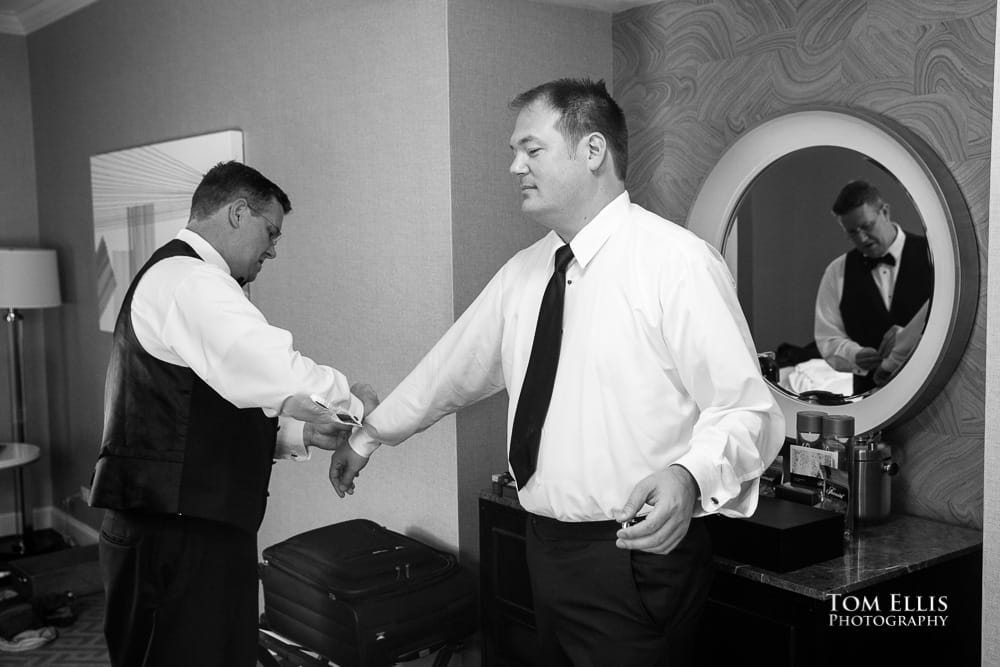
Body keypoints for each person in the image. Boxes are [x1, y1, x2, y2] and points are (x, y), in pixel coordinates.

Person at [328, 79, 784, 666]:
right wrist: (368, 436)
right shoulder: (524, 272)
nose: (515, 166)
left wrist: (690, 477)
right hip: (542, 545)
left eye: (532, 149)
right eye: (514, 152)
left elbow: (747, 410)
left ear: (592, 151)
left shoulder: (677, 264)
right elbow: (449, 370)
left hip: (633, 555)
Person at [88, 161, 377, 667]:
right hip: (174, 538)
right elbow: (271, 367)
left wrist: (303, 434)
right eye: (270, 232)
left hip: (183, 530)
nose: (272, 249)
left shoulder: (181, 279)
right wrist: (358, 406)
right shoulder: (187, 280)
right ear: (238, 212)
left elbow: (204, 410)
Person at [814, 180, 933, 394]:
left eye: (867, 226)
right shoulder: (837, 271)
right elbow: (827, 338)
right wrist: (855, 355)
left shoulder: (934, 256)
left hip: (930, 393)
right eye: (852, 232)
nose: (861, 238)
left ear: (885, 212)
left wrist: (910, 336)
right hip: (869, 400)